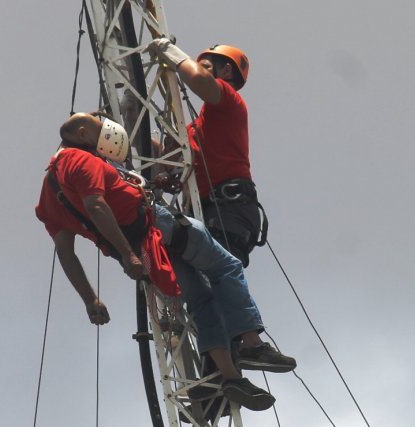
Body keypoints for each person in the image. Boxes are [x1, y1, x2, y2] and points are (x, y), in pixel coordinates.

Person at [35, 113, 296, 413]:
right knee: (225, 268)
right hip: (158, 229)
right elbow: (97, 206)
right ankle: (252, 345)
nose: (103, 127)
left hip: (146, 254)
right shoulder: (82, 161)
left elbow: (65, 251)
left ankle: (231, 378)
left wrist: (90, 298)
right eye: (97, 125)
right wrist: (128, 252)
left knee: (201, 298)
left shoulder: (49, 194)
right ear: (82, 135)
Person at [148, 39, 264, 268]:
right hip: (205, 212)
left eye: (207, 66)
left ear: (227, 70)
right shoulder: (198, 128)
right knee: (198, 292)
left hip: (229, 209)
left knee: (217, 281)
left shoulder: (231, 102)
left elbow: (198, 79)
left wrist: (171, 53)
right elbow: (168, 161)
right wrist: (132, 119)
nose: (198, 69)